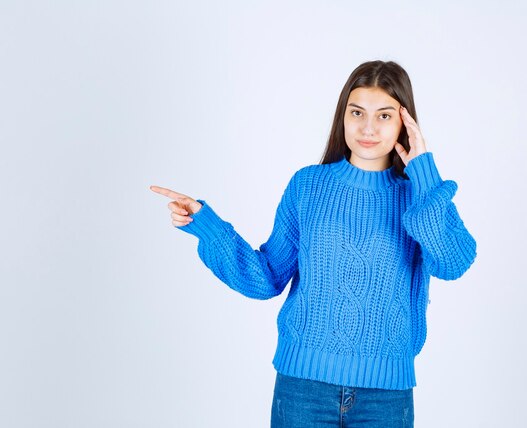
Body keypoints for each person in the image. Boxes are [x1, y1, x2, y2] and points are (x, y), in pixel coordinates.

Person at [150, 60, 477, 428]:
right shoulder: (308, 186)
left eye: (384, 115)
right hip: (303, 390)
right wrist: (207, 226)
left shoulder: (419, 197)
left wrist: (425, 174)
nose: (368, 127)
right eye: (357, 113)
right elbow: (268, 276)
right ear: (343, 116)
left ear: (406, 123)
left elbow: (454, 262)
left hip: (386, 397)